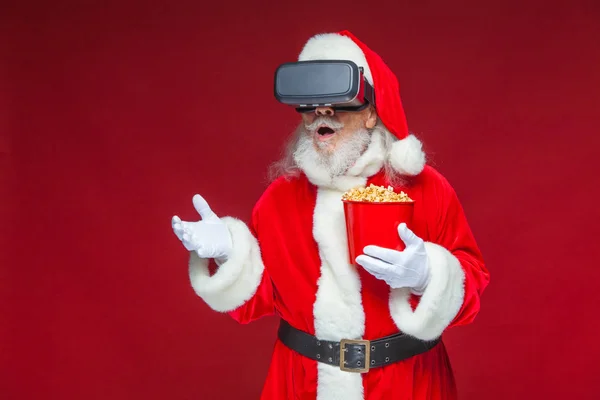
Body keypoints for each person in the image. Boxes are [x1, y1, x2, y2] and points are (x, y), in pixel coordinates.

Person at [171, 30, 490, 400]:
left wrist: (429, 277)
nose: (322, 112)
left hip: (407, 384)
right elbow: (255, 302)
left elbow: (472, 290)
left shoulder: (428, 189)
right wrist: (230, 255)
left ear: (371, 112)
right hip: (303, 383)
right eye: (311, 103)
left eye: (338, 101)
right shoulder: (280, 198)